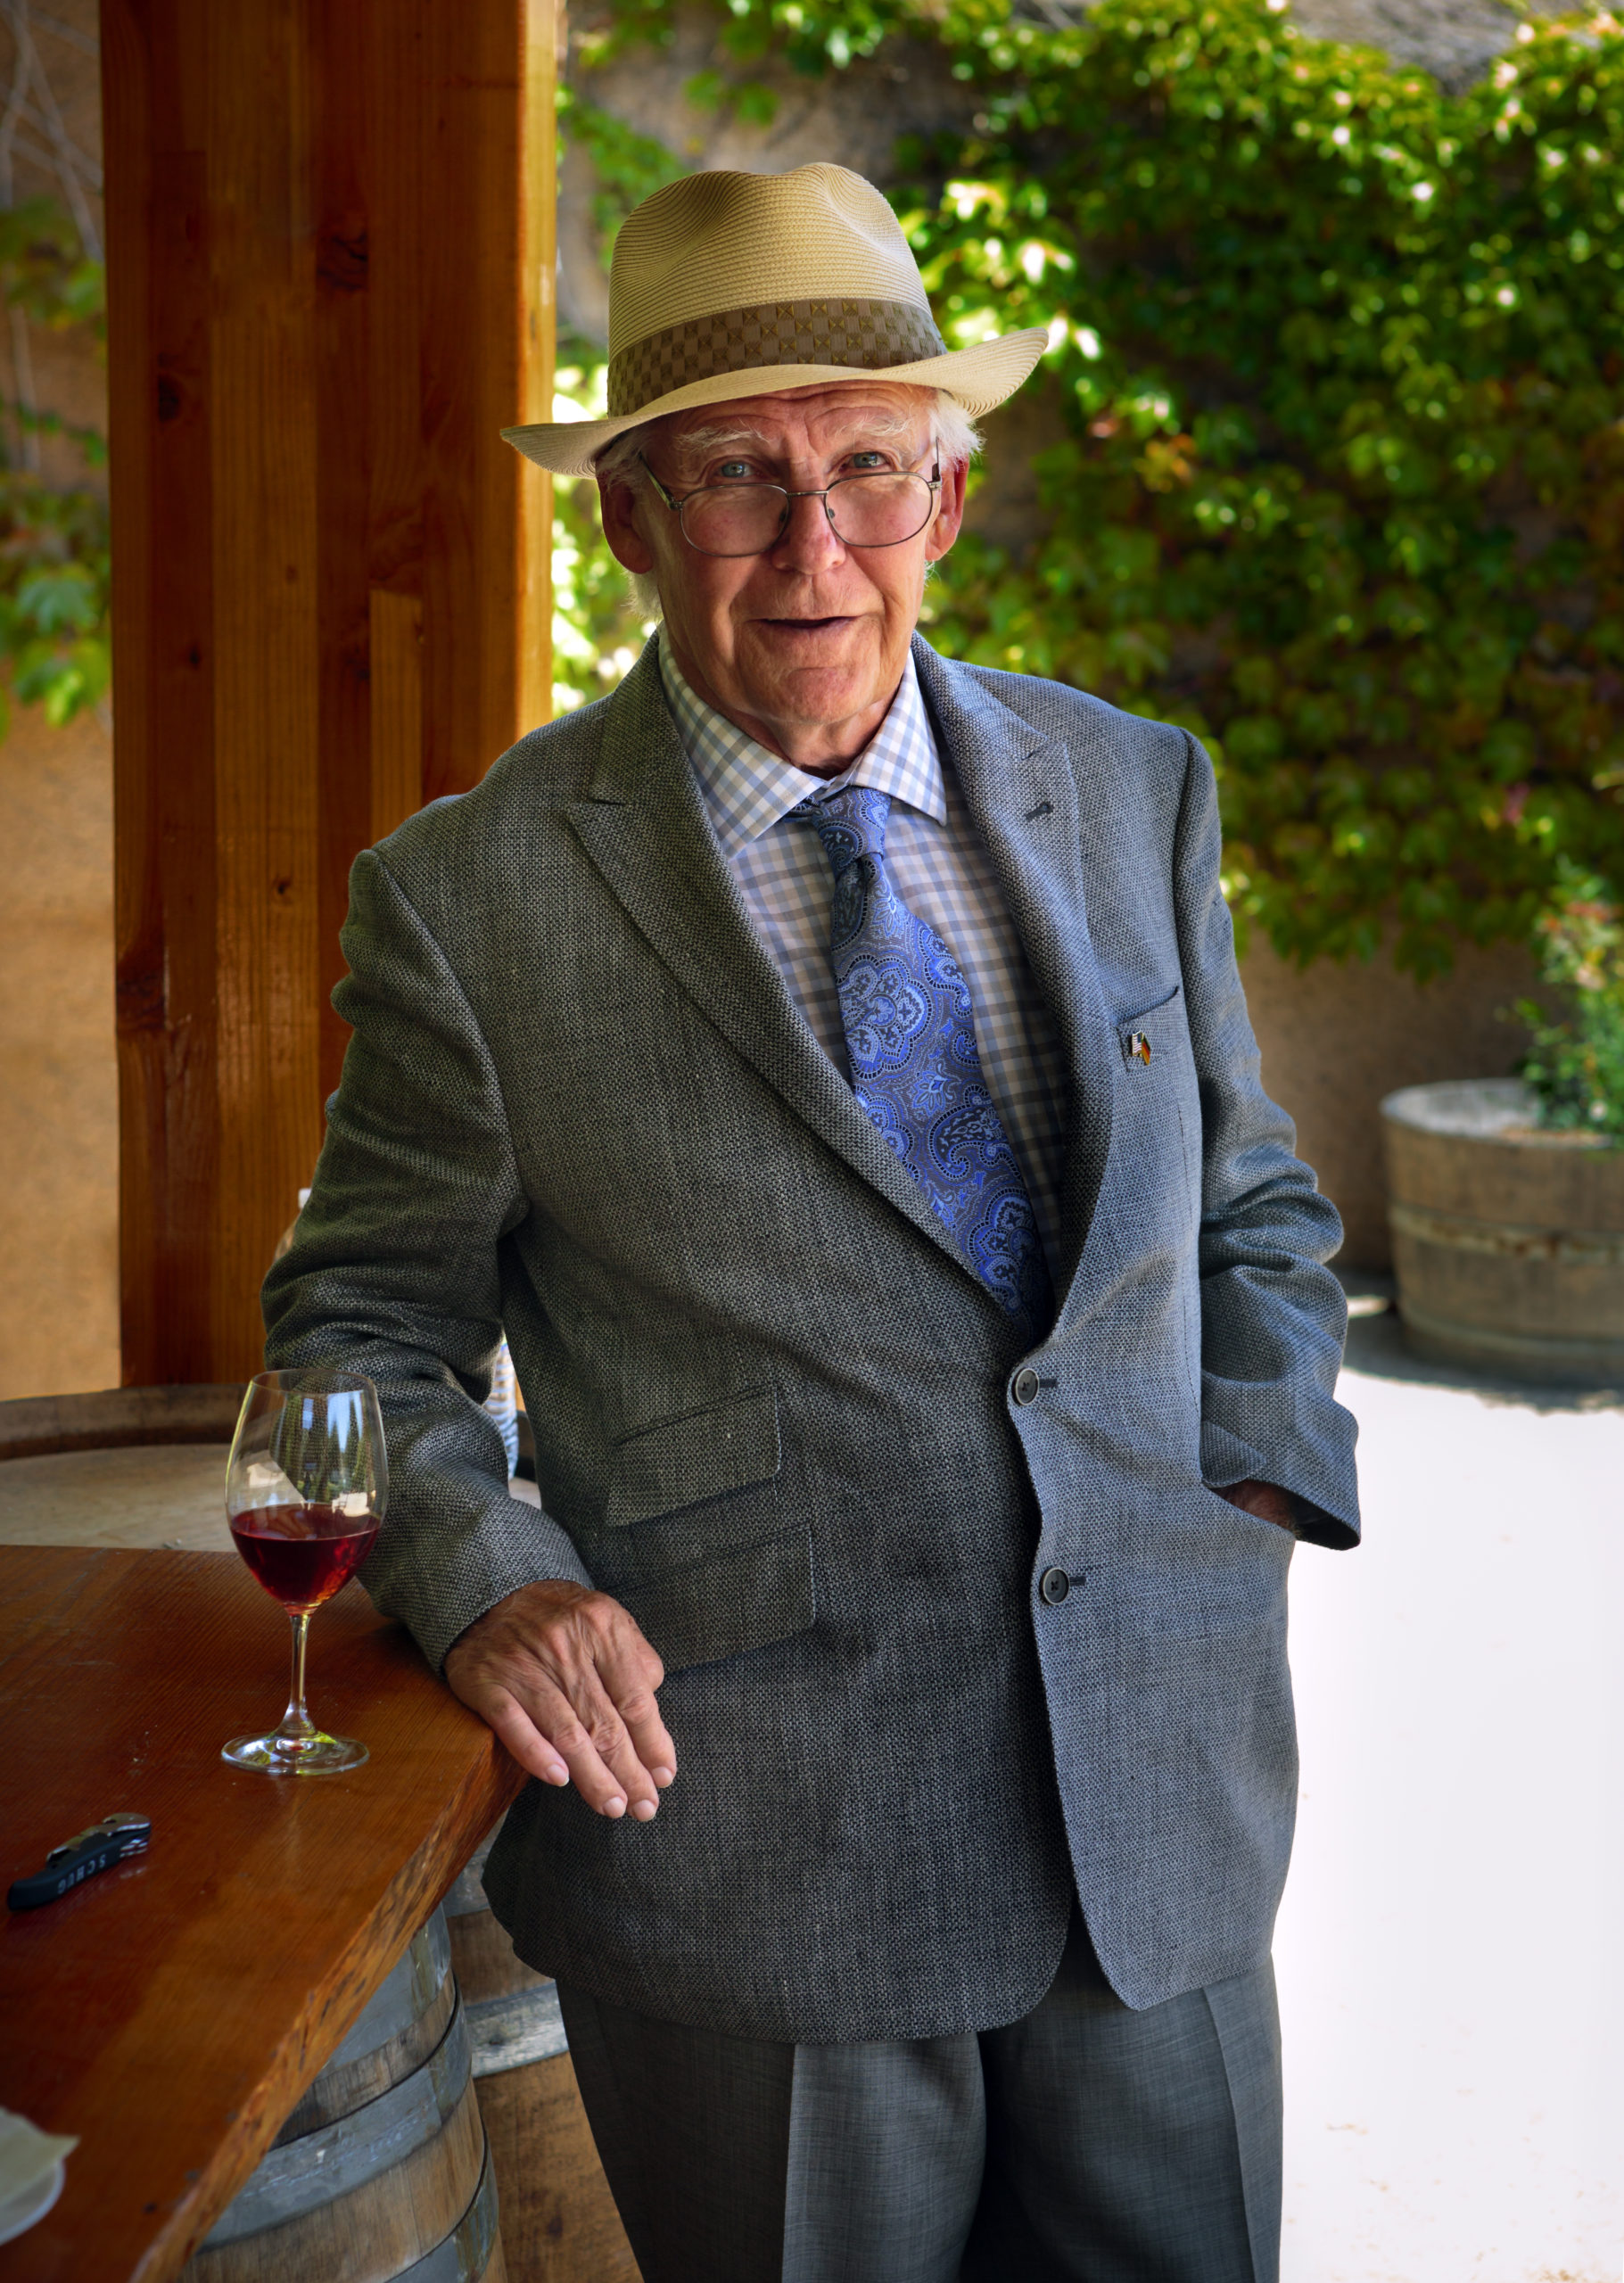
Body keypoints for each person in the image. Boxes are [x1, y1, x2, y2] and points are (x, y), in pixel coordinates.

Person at [265, 162, 1359, 2282]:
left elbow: (1249, 1192)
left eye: (867, 467)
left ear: (942, 502)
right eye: (737, 480)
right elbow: (355, 1326)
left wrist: (1256, 1456)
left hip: (1157, 1806)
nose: (813, 544)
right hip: (751, 1847)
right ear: (633, 517)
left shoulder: (1130, 788)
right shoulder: (471, 898)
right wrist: (484, 1577)